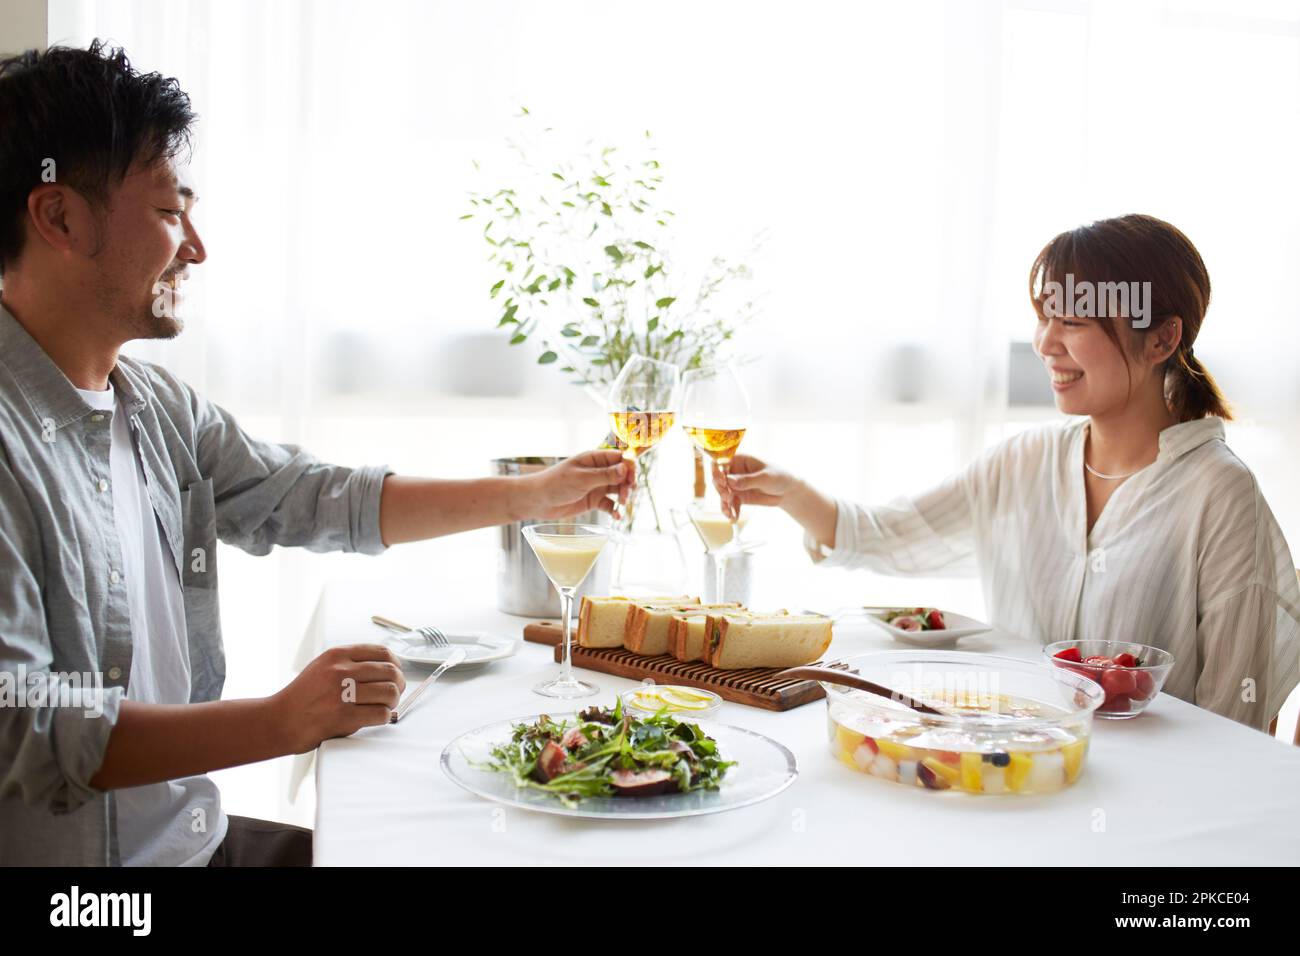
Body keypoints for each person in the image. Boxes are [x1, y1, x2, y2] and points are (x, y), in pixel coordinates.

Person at [0, 42, 632, 866]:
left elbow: (309, 496)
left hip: (196, 843)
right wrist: (285, 719)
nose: (195, 248)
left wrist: (535, 495)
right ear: (59, 218)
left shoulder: (152, 406)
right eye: (167, 213)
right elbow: (31, 729)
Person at [718, 214, 1299, 734]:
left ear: (1162, 338)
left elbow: (1236, 722)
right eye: (1044, 317)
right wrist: (790, 492)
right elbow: (891, 533)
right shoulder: (1025, 459)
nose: (1045, 343)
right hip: (1017, 764)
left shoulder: (1219, 493)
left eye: (1071, 320)